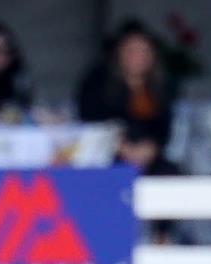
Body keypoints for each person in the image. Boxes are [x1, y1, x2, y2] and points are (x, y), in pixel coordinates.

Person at [76, 20, 177, 172]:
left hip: (149, 159)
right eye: (132, 51)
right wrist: (121, 147)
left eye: (144, 51)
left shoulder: (160, 87)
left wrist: (150, 148)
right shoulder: (98, 83)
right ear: (119, 53)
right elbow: (91, 120)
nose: (138, 57)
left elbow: (163, 128)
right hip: (107, 155)